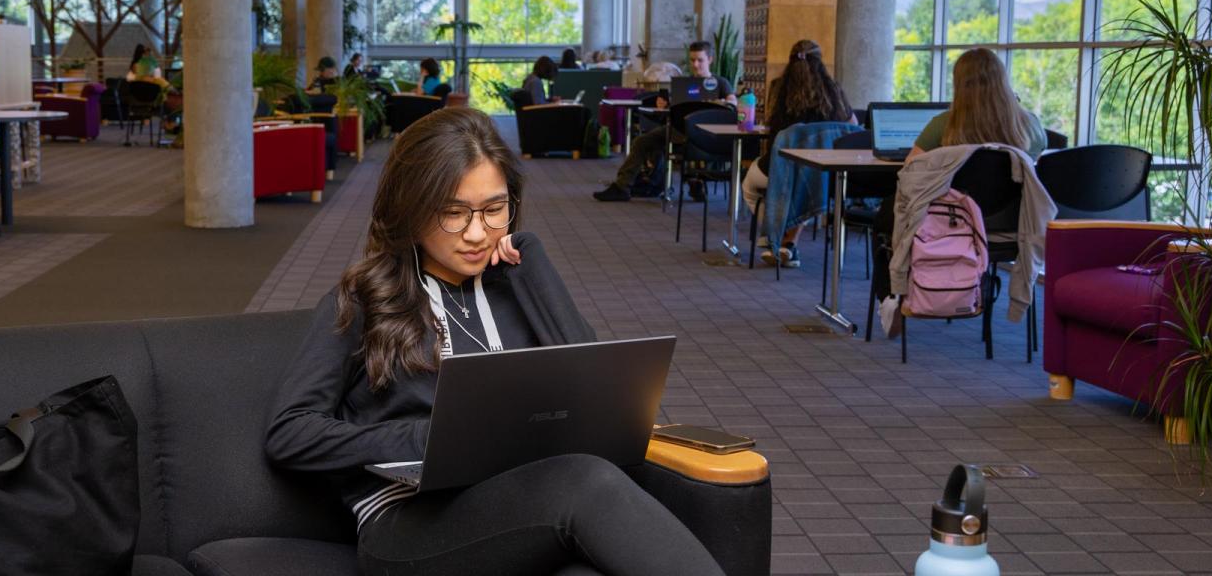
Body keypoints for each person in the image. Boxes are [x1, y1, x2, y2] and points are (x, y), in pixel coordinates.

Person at [264, 107, 726, 576]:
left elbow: (601, 402)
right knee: (586, 482)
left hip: (516, 503)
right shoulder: (363, 299)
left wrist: (535, 267)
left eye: (494, 210)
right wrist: (425, 437)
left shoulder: (518, 287)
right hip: (407, 524)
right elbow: (289, 433)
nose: (477, 233)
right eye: (452, 213)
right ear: (412, 207)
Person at [747, 40, 856, 267]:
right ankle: (788, 243)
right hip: (823, 172)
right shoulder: (833, 90)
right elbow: (852, 128)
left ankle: (776, 236)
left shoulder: (778, 88)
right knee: (810, 182)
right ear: (820, 62)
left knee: (749, 185)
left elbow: (770, 126)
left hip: (780, 167)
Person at [594, 41, 737, 202]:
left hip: (707, 134)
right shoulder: (684, 84)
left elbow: (733, 103)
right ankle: (622, 187)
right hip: (679, 129)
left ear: (710, 59)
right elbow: (674, 108)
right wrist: (664, 104)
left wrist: (722, 102)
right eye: (692, 60)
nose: (695, 65)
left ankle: (692, 179)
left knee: (663, 145)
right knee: (642, 141)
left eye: (700, 60)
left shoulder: (721, 83)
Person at [906, 48, 1047, 162]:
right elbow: (1037, 171)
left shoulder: (944, 123)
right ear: (1002, 81)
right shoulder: (1031, 123)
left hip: (957, 191)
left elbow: (911, 167)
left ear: (960, 85)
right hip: (1016, 191)